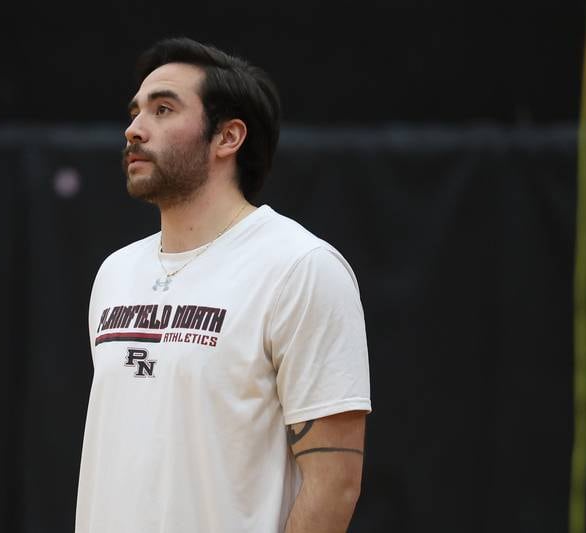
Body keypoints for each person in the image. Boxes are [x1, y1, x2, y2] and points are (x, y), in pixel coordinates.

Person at [76, 37, 371, 533]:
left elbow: (335, 483)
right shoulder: (116, 273)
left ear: (227, 137)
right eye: (134, 113)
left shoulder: (300, 267)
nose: (134, 129)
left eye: (163, 109)